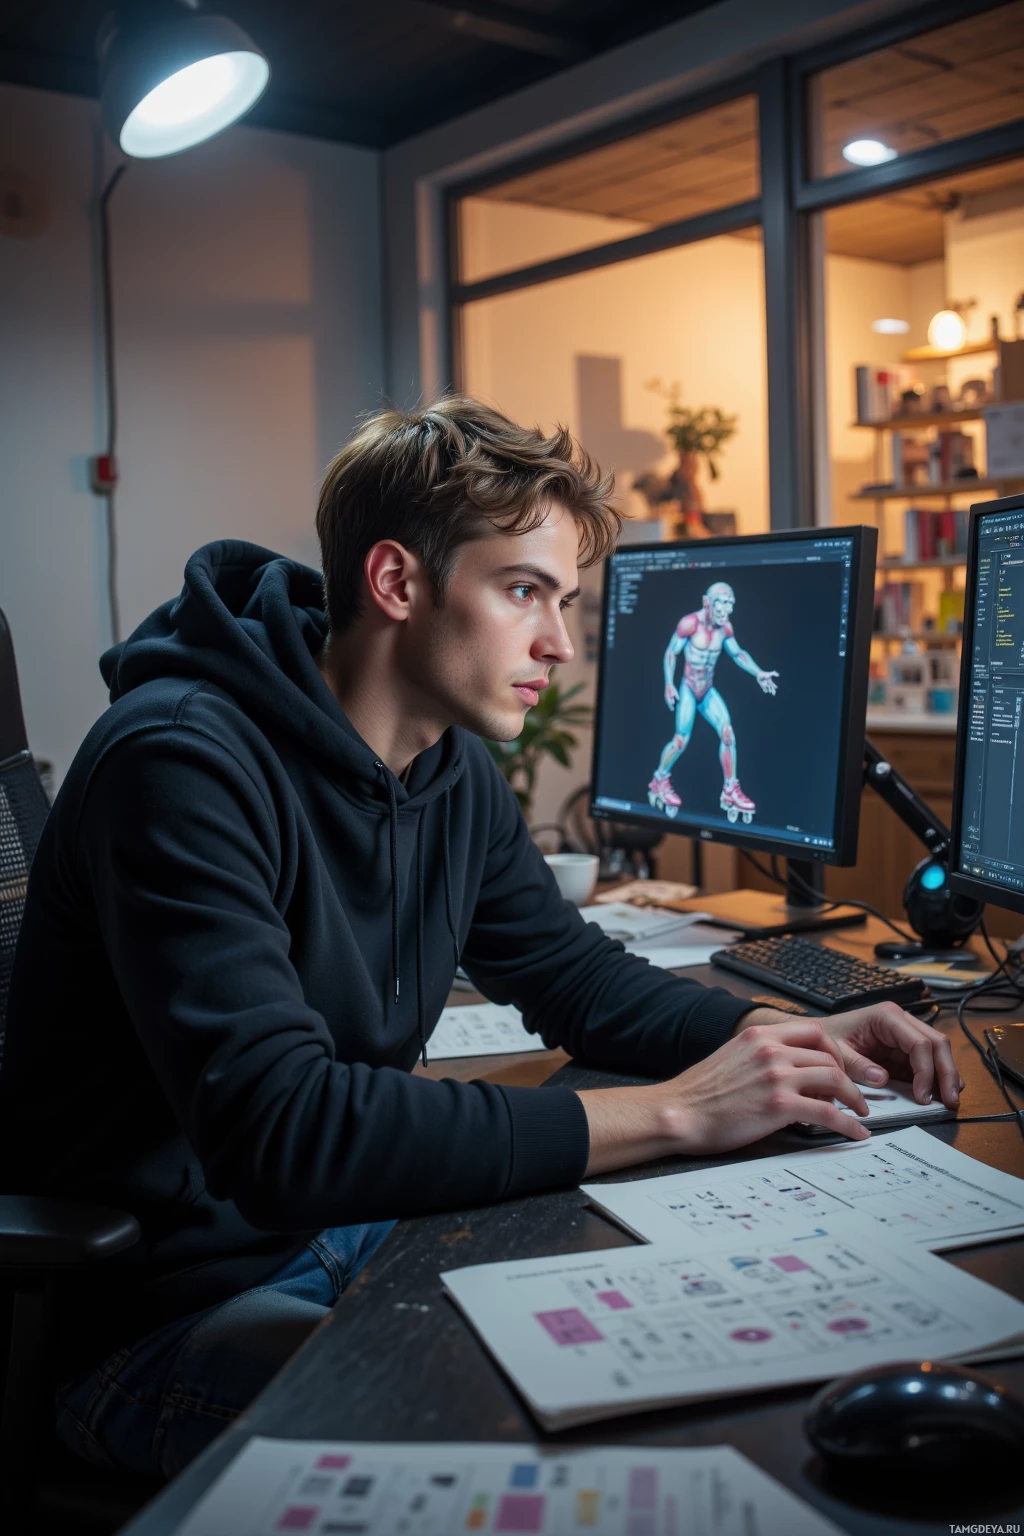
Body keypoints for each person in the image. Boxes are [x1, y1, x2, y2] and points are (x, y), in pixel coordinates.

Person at [1, 398, 961, 1480]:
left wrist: (792, 1032)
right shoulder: (179, 763)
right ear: (398, 584)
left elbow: (571, 975)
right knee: (549, 1455)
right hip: (156, 1314)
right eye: (523, 592)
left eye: (566, 602)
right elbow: (286, 1132)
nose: (558, 644)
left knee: (679, 1342)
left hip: (344, 1235)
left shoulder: (445, 765)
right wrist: (678, 1111)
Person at [648, 581, 778, 824]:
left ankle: (730, 788)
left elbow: (737, 653)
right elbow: (670, 652)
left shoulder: (724, 629)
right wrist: (668, 683)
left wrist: (758, 672)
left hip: (707, 690)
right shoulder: (689, 624)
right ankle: (659, 779)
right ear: (707, 602)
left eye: (730, 605)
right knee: (680, 740)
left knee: (728, 733)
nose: (726, 611)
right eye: (722, 604)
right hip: (688, 688)